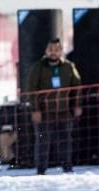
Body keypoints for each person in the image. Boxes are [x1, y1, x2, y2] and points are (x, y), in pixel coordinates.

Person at [26, 38, 82, 175]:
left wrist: (77, 105)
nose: (53, 52)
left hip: (64, 111)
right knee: (43, 142)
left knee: (65, 141)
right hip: (45, 112)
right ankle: (41, 170)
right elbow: (31, 90)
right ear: (46, 51)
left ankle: (67, 168)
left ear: (61, 51)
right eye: (50, 49)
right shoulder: (38, 67)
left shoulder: (69, 67)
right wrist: (35, 110)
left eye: (56, 50)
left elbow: (77, 87)